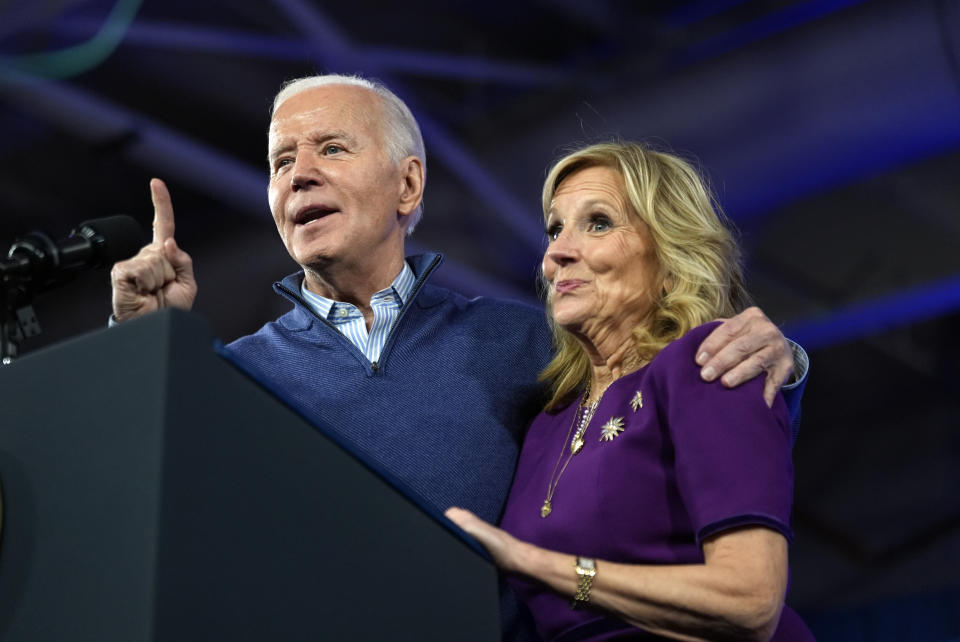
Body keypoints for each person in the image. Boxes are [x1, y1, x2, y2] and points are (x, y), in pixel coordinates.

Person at [110, 75, 807, 636]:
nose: (299, 175)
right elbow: (140, 520)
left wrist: (783, 359)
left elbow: (676, 392)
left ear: (407, 186)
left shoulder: (529, 344)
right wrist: (145, 353)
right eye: (281, 161)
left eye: (330, 149)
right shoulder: (234, 377)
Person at [446, 142, 814, 641]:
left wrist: (535, 563)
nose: (557, 252)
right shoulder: (548, 421)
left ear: (669, 258)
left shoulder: (706, 362)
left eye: (598, 222)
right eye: (555, 228)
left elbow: (750, 603)